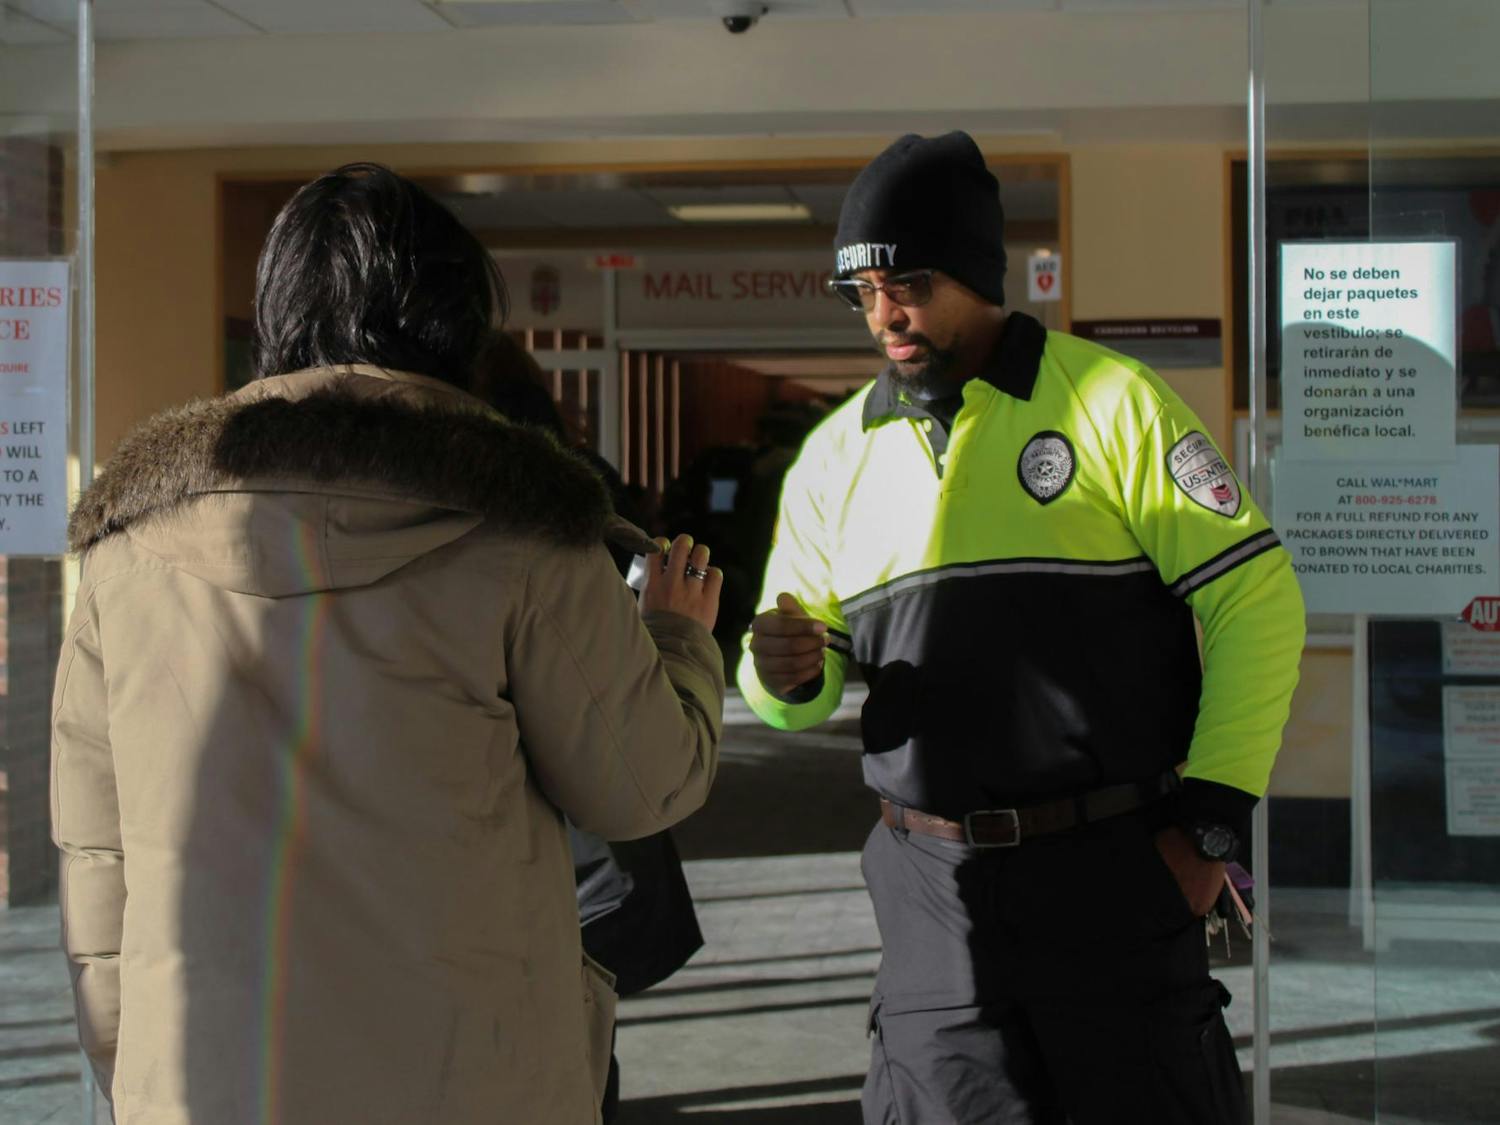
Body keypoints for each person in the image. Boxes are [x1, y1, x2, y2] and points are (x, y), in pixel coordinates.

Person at [51, 163, 725, 1125]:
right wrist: (678, 639)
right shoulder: (525, 535)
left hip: (204, 1085)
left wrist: (143, 1075)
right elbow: (640, 781)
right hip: (474, 1085)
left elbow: (96, 864)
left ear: (277, 315)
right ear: (459, 327)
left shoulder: (121, 556)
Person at [739, 131, 1306, 1125]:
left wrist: (1210, 825)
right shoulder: (833, 457)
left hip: (1114, 872)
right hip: (929, 896)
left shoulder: (1108, 401)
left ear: (975, 269)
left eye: (907, 282)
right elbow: (798, 685)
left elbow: (1255, 595)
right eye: (861, 293)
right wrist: (781, 676)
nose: (884, 315)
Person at [475, 331, 706, 1123]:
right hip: (578, 870)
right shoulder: (580, 509)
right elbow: (650, 767)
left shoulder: (528, 523)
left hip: (518, 877)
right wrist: (677, 638)